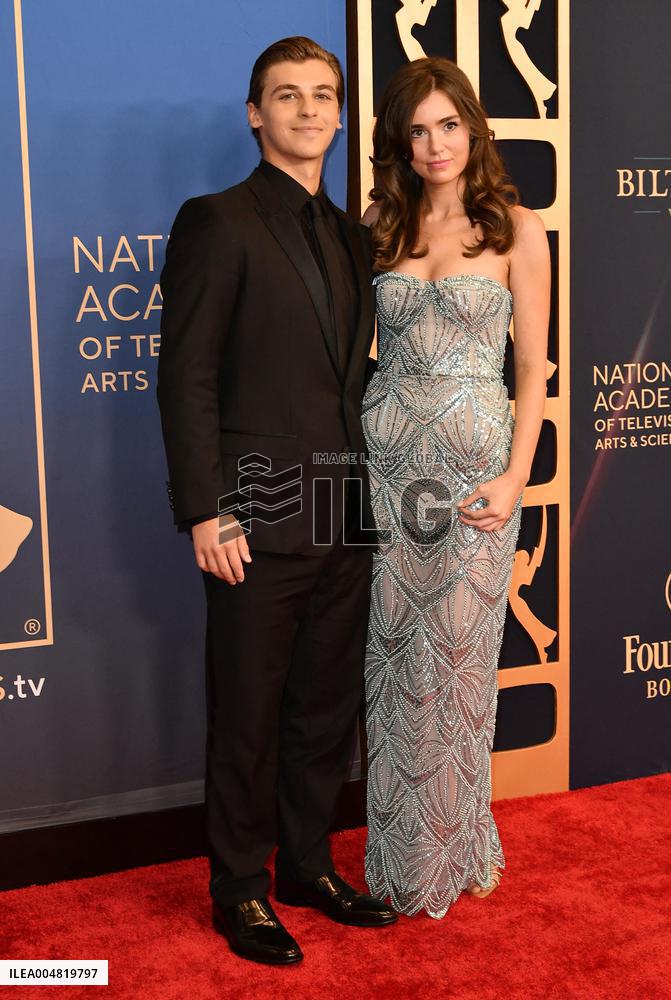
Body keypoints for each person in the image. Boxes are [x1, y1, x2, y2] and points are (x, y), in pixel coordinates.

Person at [157, 36, 396, 966]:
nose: (306, 110)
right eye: (285, 95)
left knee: (323, 711)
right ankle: (240, 890)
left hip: (343, 512)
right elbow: (189, 381)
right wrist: (207, 510)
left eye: (322, 95)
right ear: (255, 114)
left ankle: (306, 865)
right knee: (248, 713)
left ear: (341, 115)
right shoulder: (216, 220)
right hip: (251, 519)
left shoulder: (352, 236)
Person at [361, 57, 550, 918]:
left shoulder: (517, 229)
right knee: (393, 666)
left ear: (472, 128)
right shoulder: (377, 225)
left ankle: (453, 845)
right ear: (399, 143)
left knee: (458, 669)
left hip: (476, 482)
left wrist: (516, 476)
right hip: (387, 475)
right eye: (417, 129)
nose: (434, 144)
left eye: (447, 124)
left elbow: (531, 367)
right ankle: (397, 858)